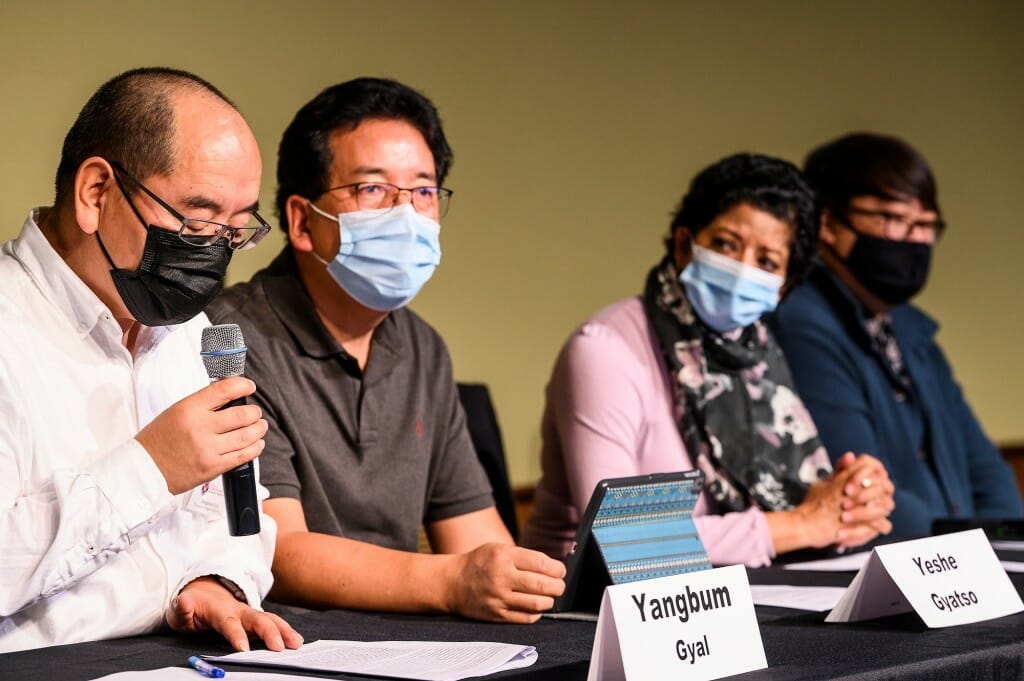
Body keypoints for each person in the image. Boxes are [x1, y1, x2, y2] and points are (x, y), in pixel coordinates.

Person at [206, 77, 565, 623]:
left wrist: (524, 581)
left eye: (423, 191)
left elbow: (476, 540)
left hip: (411, 647)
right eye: (373, 189)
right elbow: (276, 549)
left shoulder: (423, 349)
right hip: (285, 643)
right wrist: (452, 582)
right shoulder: (230, 339)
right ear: (303, 222)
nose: (407, 214)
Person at [0, 67, 303, 653]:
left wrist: (218, 579)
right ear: (96, 192)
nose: (215, 252)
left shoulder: (193, 334)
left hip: (180, 656)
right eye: (197, 219)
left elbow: (236, 513)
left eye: (235, 230)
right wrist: (150, 468)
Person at [520, 153, 895, 568]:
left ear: (783, 289)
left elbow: (805, 509)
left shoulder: (758, 359)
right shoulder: (605, 348)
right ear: (685, 245)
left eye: (766, 262)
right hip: (578, 605)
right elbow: (621, 538)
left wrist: (850, 501)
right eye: (725, 245)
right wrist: (801, 524)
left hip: (723, 594)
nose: (741, 269)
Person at [769, 133, 1023, 537]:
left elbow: (986, 469)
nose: (914, 239)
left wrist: (1007, 544)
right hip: (886, 571)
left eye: (925, 225)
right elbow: (860, 483)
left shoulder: (909, 328)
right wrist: (962, 554)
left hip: (956, 566)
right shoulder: (800, 321)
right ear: (828, 224)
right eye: (892, 219)